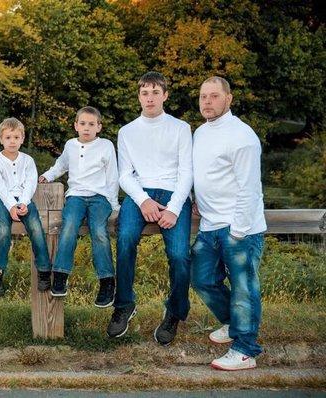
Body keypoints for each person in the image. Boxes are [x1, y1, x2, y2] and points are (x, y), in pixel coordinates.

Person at [107, 72, 193, 346]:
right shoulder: (127, 131)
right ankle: (124, 305)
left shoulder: (180, 128)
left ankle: (174, 312)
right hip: (139, 193)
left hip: (174, 194)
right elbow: (124, 175)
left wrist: (173, 209)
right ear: (139, 96)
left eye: (156, 92)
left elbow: (186, 173)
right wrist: (143, 200)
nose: (150, 98)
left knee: (179, 254)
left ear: (165, 95)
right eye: (145, 93)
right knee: (125, 239)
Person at [191, 76, 266, 371]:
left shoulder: (242, 136)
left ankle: (246, 350)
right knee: (202, 280)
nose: (207, 102)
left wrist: (238, 231)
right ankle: (233, 323)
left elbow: (250, 188)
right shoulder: (200, 132)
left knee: (243, 288)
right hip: (209, 225)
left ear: (229, 99)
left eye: (213, 96)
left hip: (239, 227)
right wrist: (198, 197)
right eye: (202, 97)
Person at [39, 106, 119, 307]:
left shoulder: (106, 146)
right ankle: (60, 275)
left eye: (91, 124)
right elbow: (61, 166)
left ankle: (107, 282)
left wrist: (114, 204)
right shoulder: (71, 145)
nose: (86, 128)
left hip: (99, 197)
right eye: (82, 123)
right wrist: (46, 176)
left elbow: (112, 177)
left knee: (99, 231)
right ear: (76, 126)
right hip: (75, 196)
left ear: (99, 127)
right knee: (69, 227)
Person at [0, 117, 52, 296]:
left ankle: (44, 270)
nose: (12, 141)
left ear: (22, 139)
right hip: (2, 200)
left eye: (16, 137)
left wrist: (23, 203)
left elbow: (31, 182)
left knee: (36, 229)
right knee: (2, 231)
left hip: (24, 200)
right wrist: (11, 206)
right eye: (8, 137)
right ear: (1, 139)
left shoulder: (28, 160)